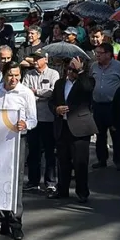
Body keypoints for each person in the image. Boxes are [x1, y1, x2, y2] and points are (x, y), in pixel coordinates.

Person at [0, 62, 37, 240]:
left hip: (17, 140)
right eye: (10, 75)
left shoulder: (25, 93)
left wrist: (25, 125)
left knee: (15, 182)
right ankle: (1, 221)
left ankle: (16, 223)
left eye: (17, 75)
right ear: (3, 75)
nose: (14, 79)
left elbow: (33, 119)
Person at [49, 56, 98, 203]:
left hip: (80, 128)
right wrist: (56, 109)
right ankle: (62, 189)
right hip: (62, 126)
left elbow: (88, 88)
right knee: (62, 161)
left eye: (74, 69)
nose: (70, 72)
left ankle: (82, 192)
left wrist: (81, 71)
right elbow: (51, 102)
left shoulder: (86, 81)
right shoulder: (60, 83)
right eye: (69, 68)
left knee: (80, 162)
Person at [22, 50, 60, 193]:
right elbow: (25, 92)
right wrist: (38, 94)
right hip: (33, 118)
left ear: (46, 59)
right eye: (34, 58)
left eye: (38, 58)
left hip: (48, 118)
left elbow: (52, 91)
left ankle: (50, 182)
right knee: (33, 152)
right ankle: (33, 181)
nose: (35, 61)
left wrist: (36, 92)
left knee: (50, 152)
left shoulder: (53, 74)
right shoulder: (28, 74)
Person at [91, 42, 120, 170]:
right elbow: (91, 82)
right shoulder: (94, 67)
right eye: (97, 53)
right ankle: (102, 159)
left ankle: (118, 160)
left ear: (108, 54)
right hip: (97, 105)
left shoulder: (119, 67)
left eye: (100, 53)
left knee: (116, 134)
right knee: (99, 134)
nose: (97, 56)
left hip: (113, 106)